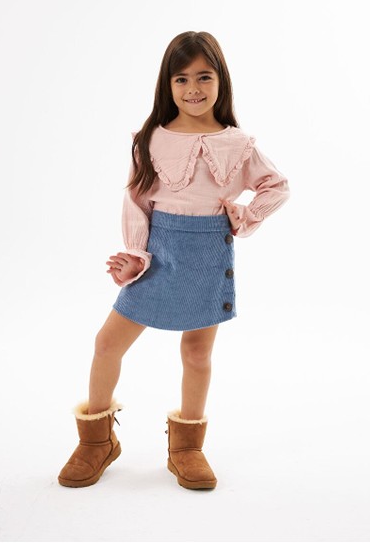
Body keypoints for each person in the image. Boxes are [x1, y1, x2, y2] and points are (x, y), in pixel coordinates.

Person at [57, 31, 290, 491]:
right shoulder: (151, 139)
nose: (193, 88)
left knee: (196, 353)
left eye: (204, 77)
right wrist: (135, 257)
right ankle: (96, 441)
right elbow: (137, 202)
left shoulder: (238, 143)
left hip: (208, 255)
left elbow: (276, 186)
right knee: (107, 344)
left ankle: (187, 448)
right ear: (167, 84)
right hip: (159, 255)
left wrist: (244, 216)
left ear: (221, 80)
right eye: (181, 79)